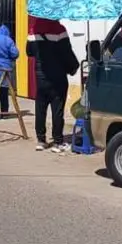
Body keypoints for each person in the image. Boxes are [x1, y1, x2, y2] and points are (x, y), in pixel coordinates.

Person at [27, 18, 79, 153]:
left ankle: (41, 140)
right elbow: (67, 52)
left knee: (40, 109)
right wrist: (74, 67)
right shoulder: (59, 30)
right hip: (58, 78)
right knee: (57, 110)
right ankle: (57, 142)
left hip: (40, 77)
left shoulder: (33, 30)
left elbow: (29, 52)